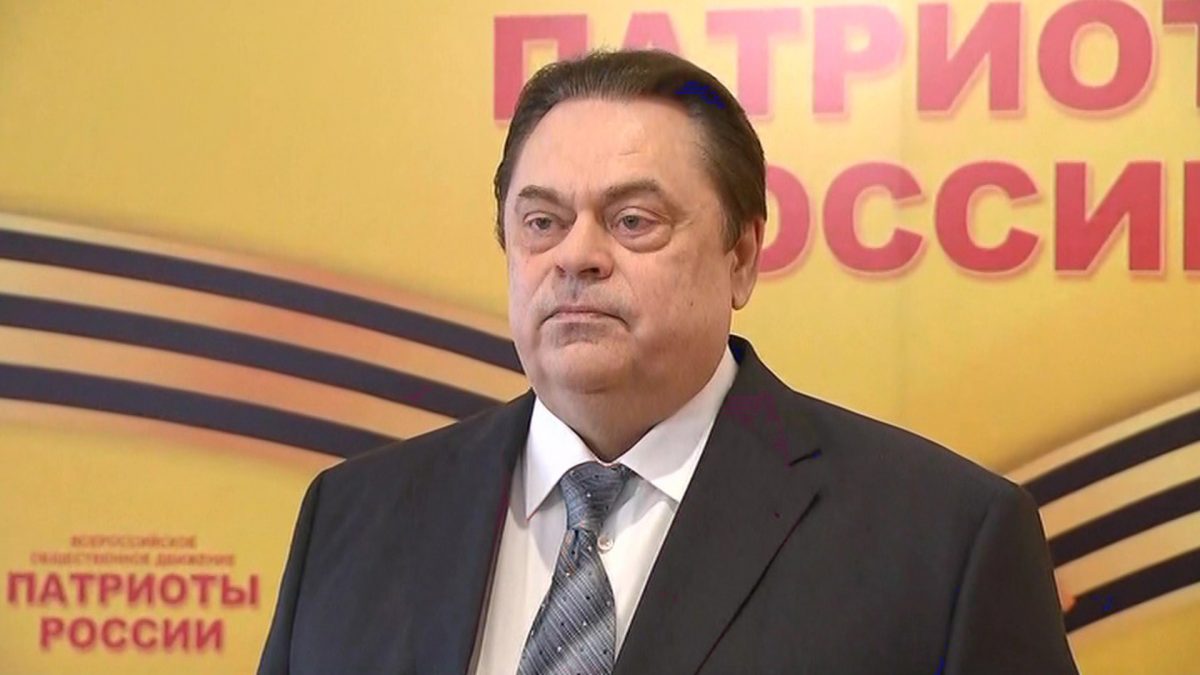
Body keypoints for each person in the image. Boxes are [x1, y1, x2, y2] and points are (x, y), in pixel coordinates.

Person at [258, 49, 1078, 675]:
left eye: (633, 221)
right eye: (541, 222)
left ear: (741, 256)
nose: (576, 256)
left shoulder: (942, 541)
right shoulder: (353, 518)